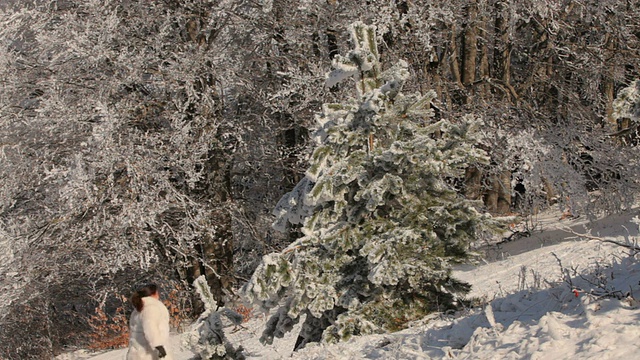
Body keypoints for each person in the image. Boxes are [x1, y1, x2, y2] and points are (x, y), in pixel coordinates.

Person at [126, 284, 173, 360]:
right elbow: (150, 327)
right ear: (154, 293)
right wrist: (158, 345)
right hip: (149, 353)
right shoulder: (151, 307)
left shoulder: (139, 308)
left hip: (138, 352)